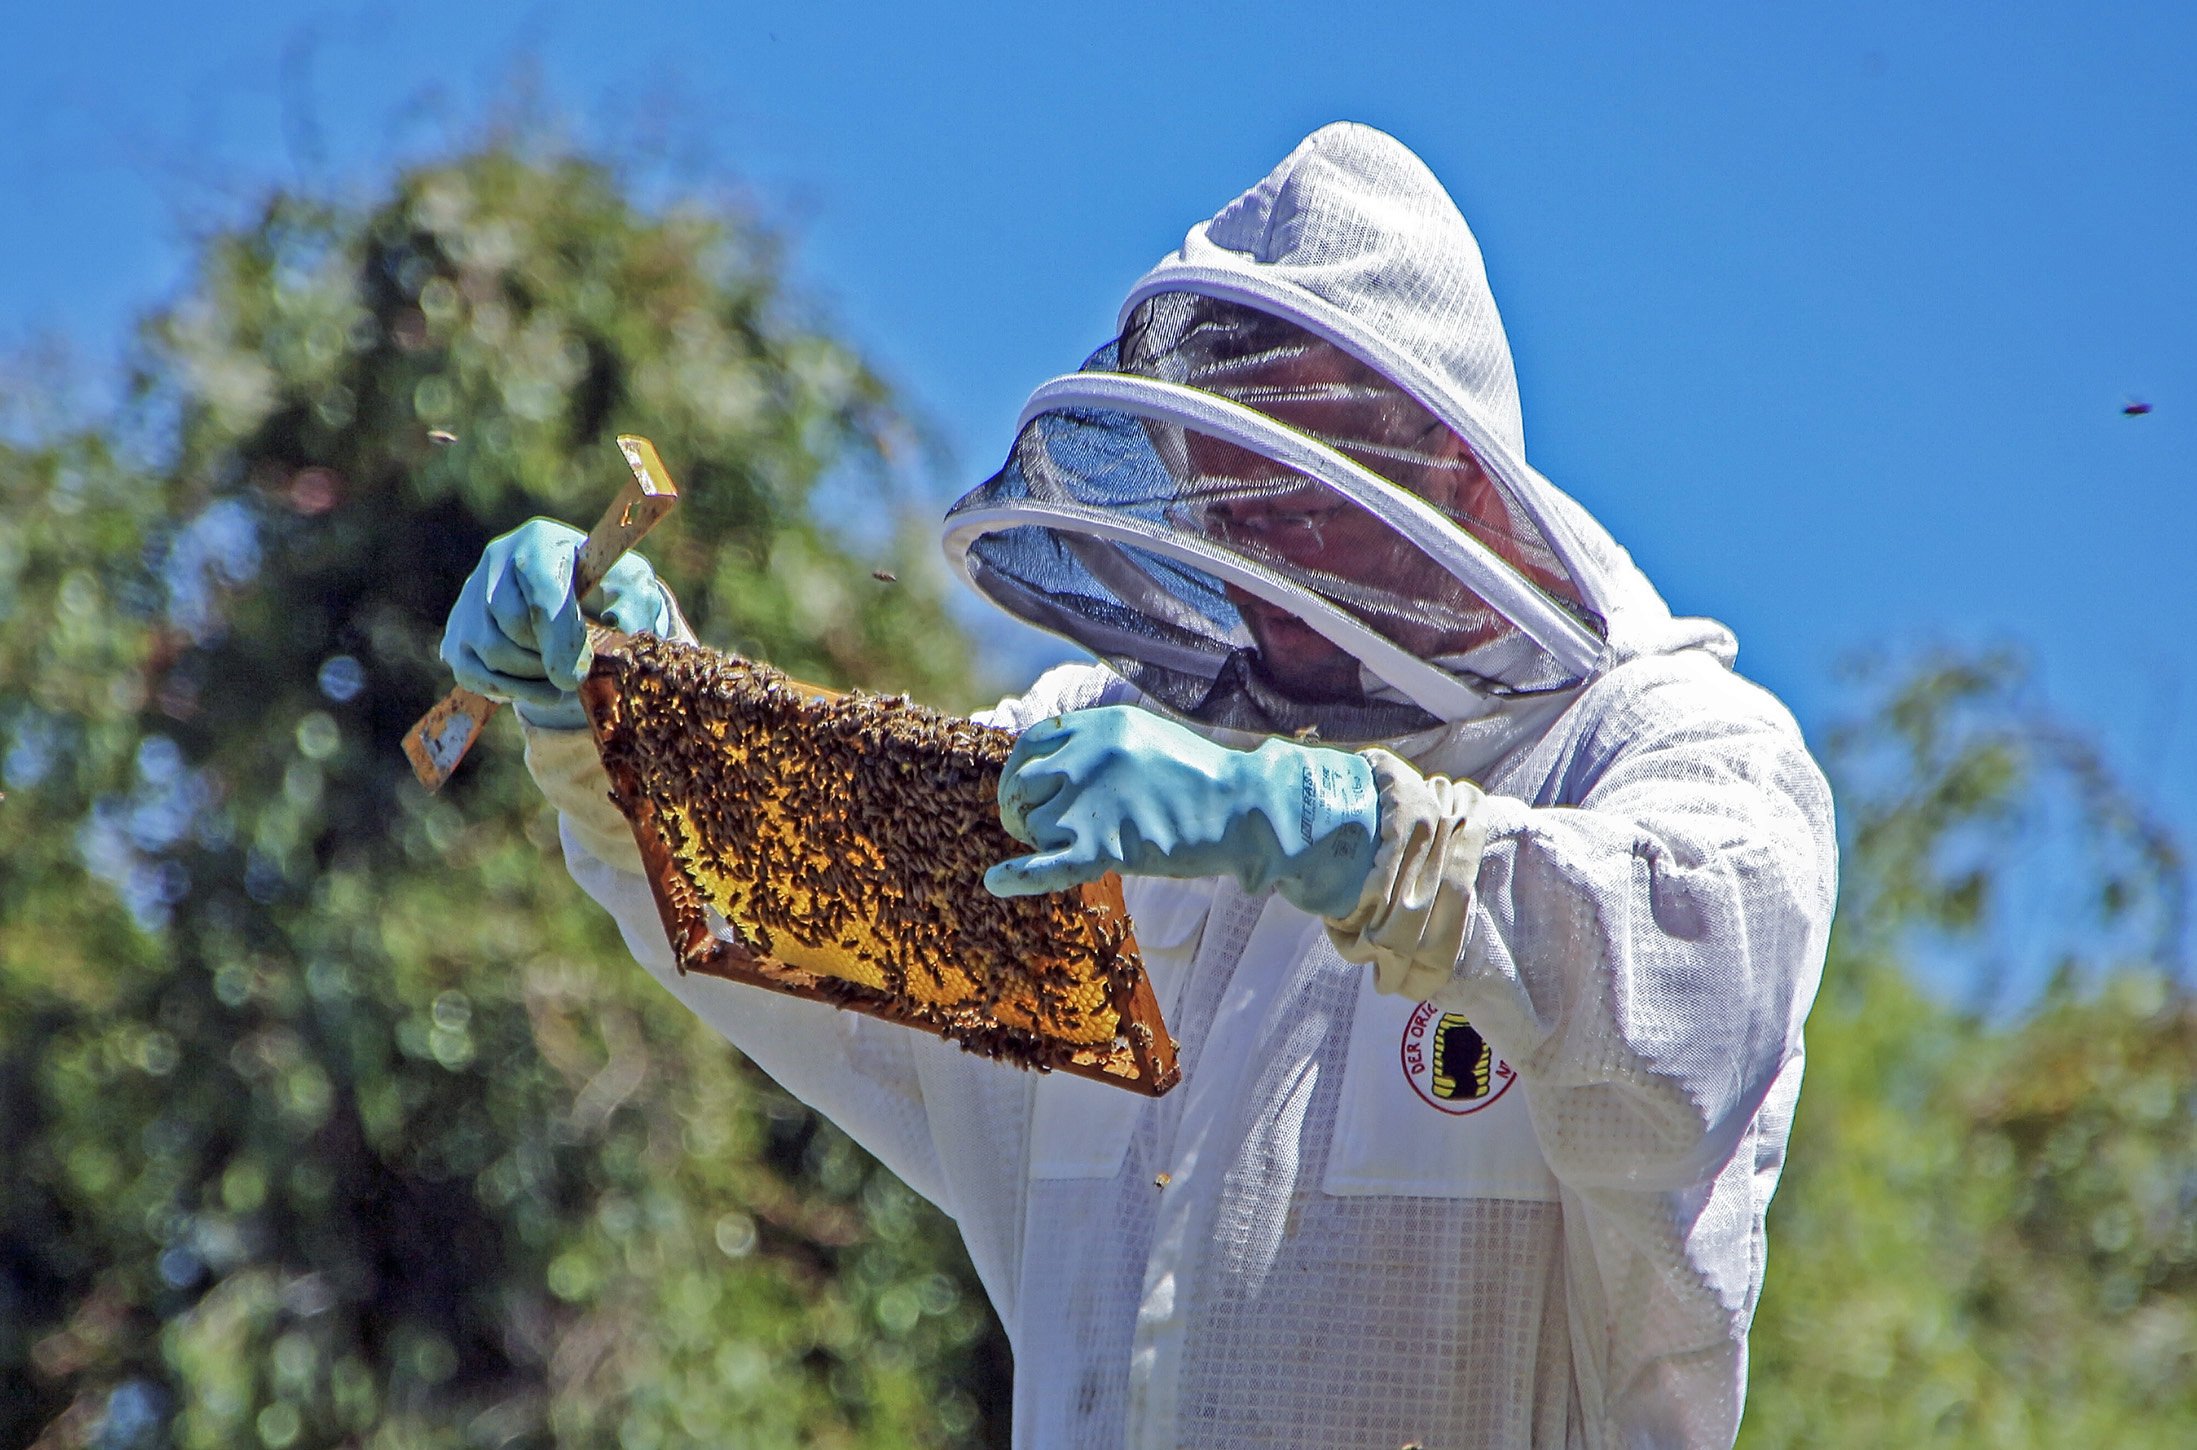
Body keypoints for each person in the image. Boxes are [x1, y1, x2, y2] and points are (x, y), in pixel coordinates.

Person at [442, 122, 1836, 1449]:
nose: (1267, 554)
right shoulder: (1111, 747)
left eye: (1302, 497)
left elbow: (1691, 976)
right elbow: (807, 888)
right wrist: (615, 702)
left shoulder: (1654, 743)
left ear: (1457, 484)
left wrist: (1333, 831)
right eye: (1227, 499)